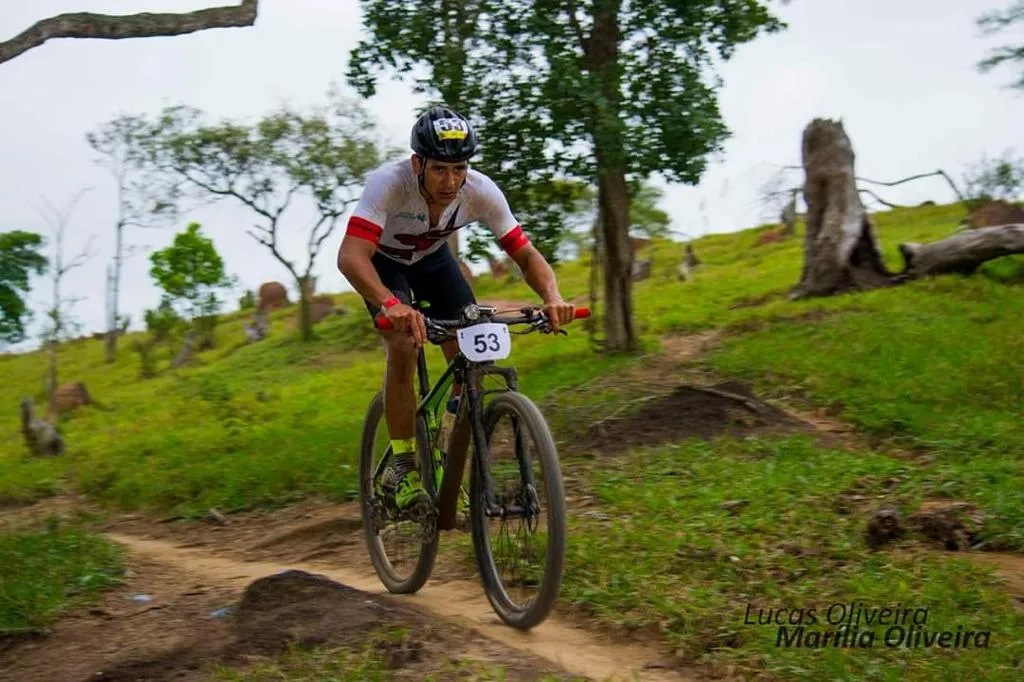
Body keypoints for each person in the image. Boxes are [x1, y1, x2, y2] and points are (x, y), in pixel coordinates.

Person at [337, 104, 576, 513]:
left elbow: (525, 254)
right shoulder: (389, 184)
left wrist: (552, 296)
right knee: (403, 344)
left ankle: (447, 444)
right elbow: (350, 257)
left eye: (459, 169)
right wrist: (391, 303)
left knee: (473, 350)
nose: (451, 181)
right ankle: (403, 465)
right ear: (418, 163)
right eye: (439, 170)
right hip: (383, 264)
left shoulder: (480, 190)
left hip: (432, 261)